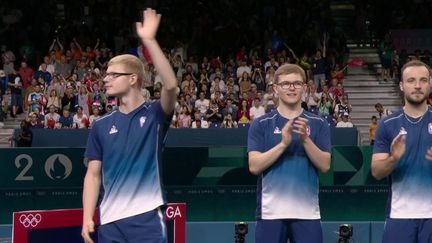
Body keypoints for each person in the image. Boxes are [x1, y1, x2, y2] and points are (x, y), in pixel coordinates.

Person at [81, 8, 178, 243]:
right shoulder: (100, 125)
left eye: (113, 75)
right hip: (110, 221)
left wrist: (149, 41)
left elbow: (171, 86)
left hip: (147, 217)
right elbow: (93, 175)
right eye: (106, 75)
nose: (105, 79)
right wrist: (87, 217)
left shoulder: (155, 114)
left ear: (132, 79)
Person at [248, 63, 331, 243]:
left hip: (307, 213)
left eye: (297, 83)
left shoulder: (319, 123)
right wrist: (283, 144)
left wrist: (305, 140)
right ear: (276, 89)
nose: (291, 88)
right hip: (270, 214)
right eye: (286, 84)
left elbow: (325, 165)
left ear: (305, 88)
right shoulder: (261, 124)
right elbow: (254, 166)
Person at [371, 60, 432, 243]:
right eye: (411, 80)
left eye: (423, 80)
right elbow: (376, 172)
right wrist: (393, 158)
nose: (418, 86)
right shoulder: (387, 124)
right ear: (401, 85)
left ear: (430, 84)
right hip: (399, 216)